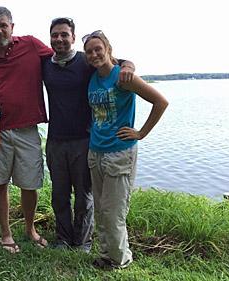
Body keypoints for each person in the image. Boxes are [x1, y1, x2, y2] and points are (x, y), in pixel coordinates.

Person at [42, 18, 135, 252]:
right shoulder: (45, 63)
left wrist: (129, 66)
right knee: (59, 194)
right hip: (55, 140)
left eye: (65, 34)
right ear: (50, 38)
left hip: (84, 139)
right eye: (55, 35)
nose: (60, 39)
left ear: (73, 37)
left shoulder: (85, 60)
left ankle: (83, 240)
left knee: (84, 195)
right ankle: (63, 238)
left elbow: (116, 61)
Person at [83, 30, 168, 269]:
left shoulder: (123, 77)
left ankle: (121, 259)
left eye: (98, 49)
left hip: (119, 153)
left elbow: (160, 102)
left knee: (114, 212)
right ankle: (106, 255)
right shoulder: (93, 76)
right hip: (96, 151)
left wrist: (140, 133)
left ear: (109, 49)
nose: (94, 54)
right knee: (100, 209)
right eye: (89, 51)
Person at [0, 6, 53, 252]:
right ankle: (6, 233)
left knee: (30, 183)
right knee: (0, 183)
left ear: (12, 26)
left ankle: (30, 229)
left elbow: (63, 57)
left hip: (28, 129)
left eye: (3, 25)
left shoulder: (30, 45)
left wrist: (121, 62)